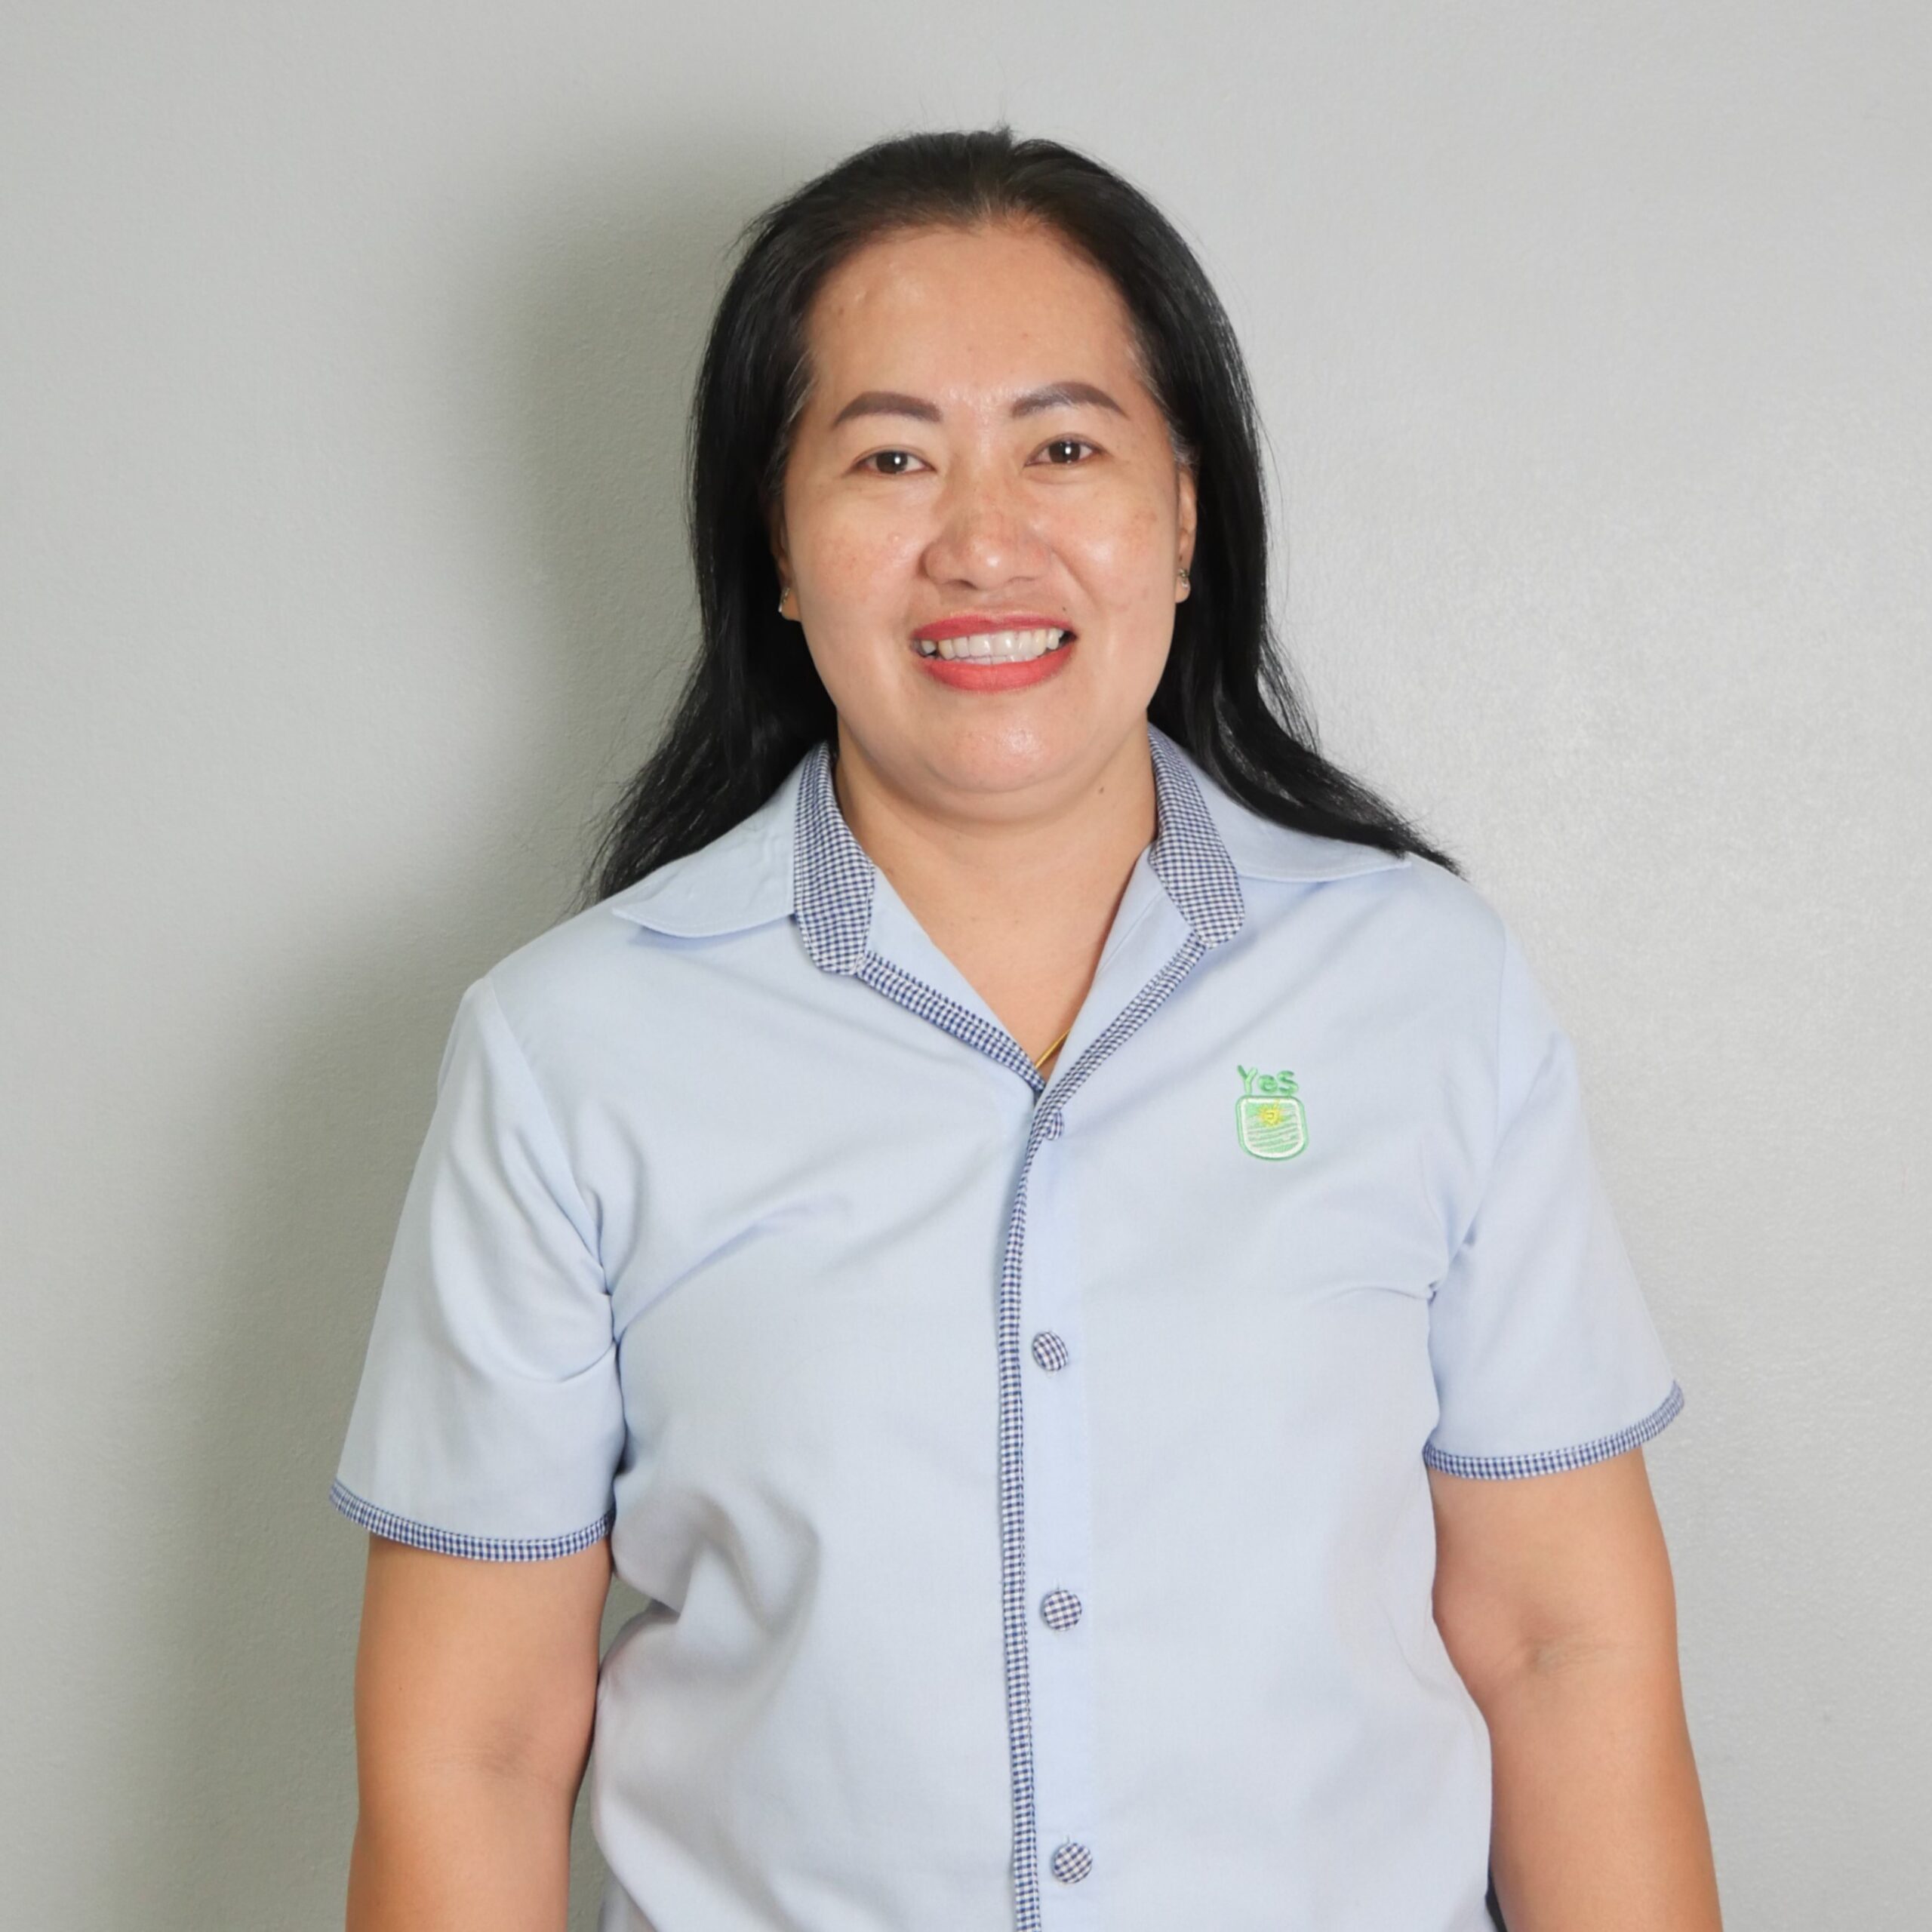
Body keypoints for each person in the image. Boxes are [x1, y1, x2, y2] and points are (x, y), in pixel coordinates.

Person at [331, 129, 1723, 1932]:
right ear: (776, 544)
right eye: (890, 457)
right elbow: (475, 1749)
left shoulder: (1420, 987)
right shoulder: (571, 1051)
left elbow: (1559, 1649)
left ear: (1183, 514)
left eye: (1063, 448)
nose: (982, 541)